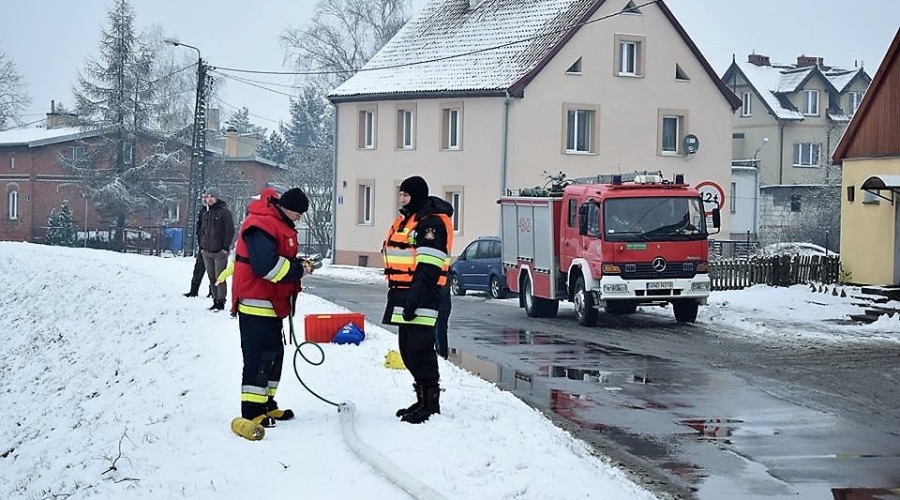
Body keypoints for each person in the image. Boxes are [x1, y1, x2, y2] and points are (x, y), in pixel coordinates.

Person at [230, 186, 313, 434]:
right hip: (256, 302)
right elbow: (266, 267)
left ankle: (267, 403)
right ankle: (252, 411)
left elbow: (279, 258)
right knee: (257, 358)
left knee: (273, 356)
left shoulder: (277, 223)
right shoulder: (261, 224)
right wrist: (298, 270)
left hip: (272, 304)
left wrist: (297, 264)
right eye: (298, 214)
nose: (299, 219)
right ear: (288, 208)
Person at [383, 176, 454, 424]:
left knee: (420, 350)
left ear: (417, 196)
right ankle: (421, 398)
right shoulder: (409, 220)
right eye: (401, 195)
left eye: (406, 195)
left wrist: (414, 300)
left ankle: (430, 404)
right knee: (407, 350)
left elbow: (429, 267)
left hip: (423, 295)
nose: (402, 199)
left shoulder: (430, 224)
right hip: (403, 293)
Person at [199, 186, 235, 311]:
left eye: (211, 197)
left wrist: (225, 248)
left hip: (219, 252)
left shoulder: (224, 212)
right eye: (207, 197)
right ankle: (215, 299)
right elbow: (201, 230)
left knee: (220, 277)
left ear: (217, 197)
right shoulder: (205, 213)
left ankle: (221, 300)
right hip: (206, 250)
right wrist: (202, 246)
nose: (209, 199)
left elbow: (229, 231)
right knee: (211, 277)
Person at [183, 201, 210, 298]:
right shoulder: (202, 211)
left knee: (213, 271)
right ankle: (193, 291)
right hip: (203, 245)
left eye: (207, 197)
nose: (205, 199)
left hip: (214, 246)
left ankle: (213, 293)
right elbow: (200, 228)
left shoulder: (219, 212)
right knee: (198, 268)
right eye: (204, 197)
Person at [434, 283, 451, 359]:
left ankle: (442, 355)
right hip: (436, 307)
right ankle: (439, 354)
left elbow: (443, 291)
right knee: (435, 332)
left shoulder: (443, 274)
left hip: (442, 307)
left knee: (440, 332)